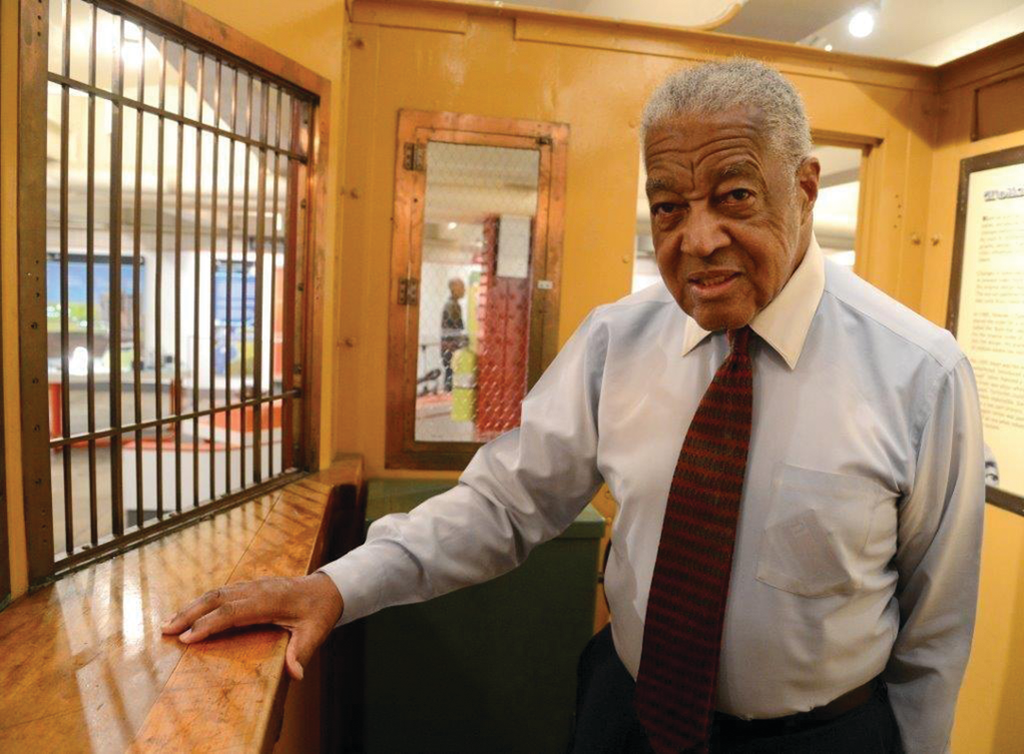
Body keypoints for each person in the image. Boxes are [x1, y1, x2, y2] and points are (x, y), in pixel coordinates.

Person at [162, 59, 984, 754]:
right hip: (626, 714)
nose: (696, 239)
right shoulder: (615, 344)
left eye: (734, 196)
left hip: (820, 739)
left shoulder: (921, 373)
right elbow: (502, 505)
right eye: (668, 206)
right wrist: (336, 588)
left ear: (804, 187)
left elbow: (935, 634)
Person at [440, 277, 468, 392]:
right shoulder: (453, 306)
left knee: (449, 373)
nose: (464, 290)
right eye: (462, 287)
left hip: (448, 345)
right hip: (451, 345)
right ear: (454, 289)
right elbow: (457, 327)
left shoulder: (451, 304)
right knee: (451, 374)